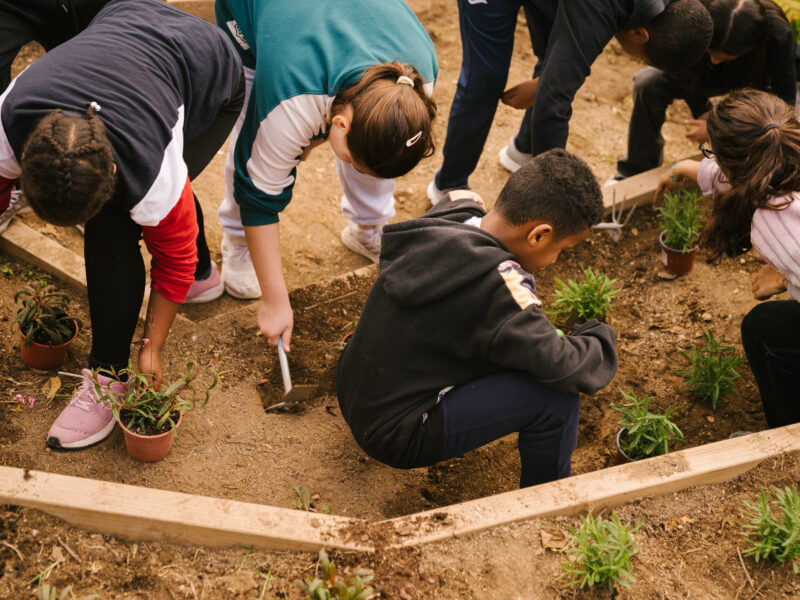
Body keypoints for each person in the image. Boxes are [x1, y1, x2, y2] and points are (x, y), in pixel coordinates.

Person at [0, 0, 245, 448]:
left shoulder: (150, 166)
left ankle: (108, 374)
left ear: (112, 170)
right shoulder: (10, 114)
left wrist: (151, 347)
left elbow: (172, 257)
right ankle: (205, 277)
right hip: (125, 16)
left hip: (210, 67)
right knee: (133, 211)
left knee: (112, 228)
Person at [337, 149, 618, 488]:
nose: (556, 259)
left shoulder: (454, 212)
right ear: (539, 235)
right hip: (397, 433)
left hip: (353, 389)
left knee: (515, 349)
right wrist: (598, 337)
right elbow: (564, 367)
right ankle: (548, 498)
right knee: (556, 398)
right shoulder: (499, 286)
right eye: (562, 249)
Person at [213, 0, 438, 352]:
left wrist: (315, 140)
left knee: (375, 148)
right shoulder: (288, 99)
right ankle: (238, 243)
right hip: (255, 13)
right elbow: (258, 192)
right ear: (339, 123)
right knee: (255, 135)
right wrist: (275, 300)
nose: (358, 170)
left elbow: (375, 144)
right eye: (354, 163)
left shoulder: (416, 88)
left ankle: (368, 227)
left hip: (333, 26)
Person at [426, 0, 713, 204]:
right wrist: (553, 193)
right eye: (644, 59)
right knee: (486, 81)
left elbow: (566, 64)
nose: (639, 61)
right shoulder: (600, 8)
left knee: (554, 60)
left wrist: (546, 82)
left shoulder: (659, 9)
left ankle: (525, 148)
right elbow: (552, 105)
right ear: (640, 34)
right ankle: (449, 187)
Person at [655, 88, 800, 428]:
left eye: (713, 154)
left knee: (762, 330)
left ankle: (786, 439)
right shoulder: (788, 156)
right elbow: (734, 176)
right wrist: (683, 169)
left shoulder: (775, 224)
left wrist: (786, 278)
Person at [612, 0, 798, 182]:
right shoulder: (695, 13)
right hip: (703, 71)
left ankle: (762, 173)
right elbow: (678, 69)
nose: (715, 60)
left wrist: (723, 128)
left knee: (787, 122)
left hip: (759, 78)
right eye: (711, 52)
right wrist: (703, 110)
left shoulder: (778, 35)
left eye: (724, 57)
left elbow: (784, 101)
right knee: (649, 82)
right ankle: (634, 170)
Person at [0, 0, 112, 233]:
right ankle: (17, 187)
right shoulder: (7, 116)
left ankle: (84, 191)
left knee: (89, 81)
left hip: (88, 7)